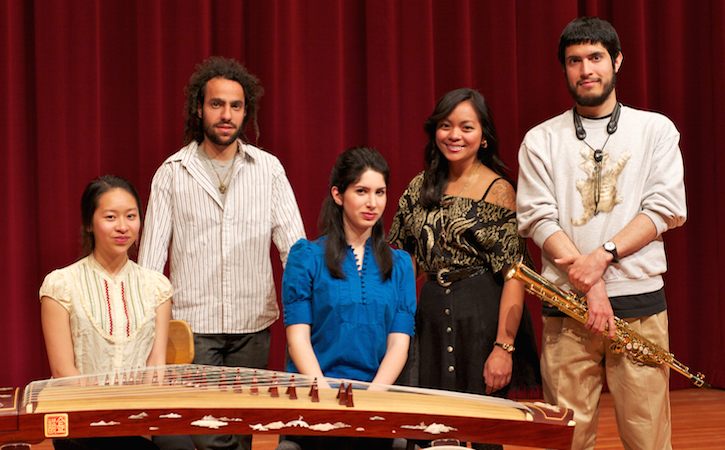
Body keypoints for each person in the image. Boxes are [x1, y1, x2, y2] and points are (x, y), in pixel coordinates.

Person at [516, 17, 687, 450]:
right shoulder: (540, 139)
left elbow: (665, 209)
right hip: (567, 309)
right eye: (574, 61)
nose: (586, 69)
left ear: (617, 61)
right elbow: (538, 219)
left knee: (648, 439)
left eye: (595, 57)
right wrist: (589, 282)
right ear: (564, 68)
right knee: (566, 441)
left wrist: (603, 255)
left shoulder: (656, 129)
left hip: (640, 306)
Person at [139, 56, 306, 450]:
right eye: (217, 104)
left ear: (246, 111)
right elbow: (149, 266)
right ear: (199, 108)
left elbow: (295, 251)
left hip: (253, 325)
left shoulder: (269, 170)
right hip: (193, 328)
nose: (226, 114)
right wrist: (150, 338)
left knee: (244, 432)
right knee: (210, 437)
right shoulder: (172, 172)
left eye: (235, 105)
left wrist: (307, 318)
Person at [388, 88, 540, 450]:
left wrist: (504, 348)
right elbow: (401, 261)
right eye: (445, 125)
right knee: (424, 427)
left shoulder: (500, 191)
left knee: (482, 429)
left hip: (482, 316)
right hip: (428, 320)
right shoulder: (417, 188)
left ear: (484, 135)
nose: (454, 135)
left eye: (466, 127)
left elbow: (514, 275)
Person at [278, 146, 416, 450]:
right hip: (316, 400)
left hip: (375, 404)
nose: (372, 203)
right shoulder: (306, 257)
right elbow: (298, 340)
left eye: (380, 192)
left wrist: (372, 398)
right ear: (338, 195)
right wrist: (327, 396)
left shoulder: (401, 264)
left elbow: (398, 345)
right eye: (361, 191)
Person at [40, 175, 171, 450]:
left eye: (131, 216)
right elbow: (63, 370)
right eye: (110, 217)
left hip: (137, 421)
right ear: (89, 223)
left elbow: (155, 366)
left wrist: (132, 418)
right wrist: (107, 415)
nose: (123, 227)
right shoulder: (60, 284)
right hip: (80, 420)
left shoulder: (157, 287)